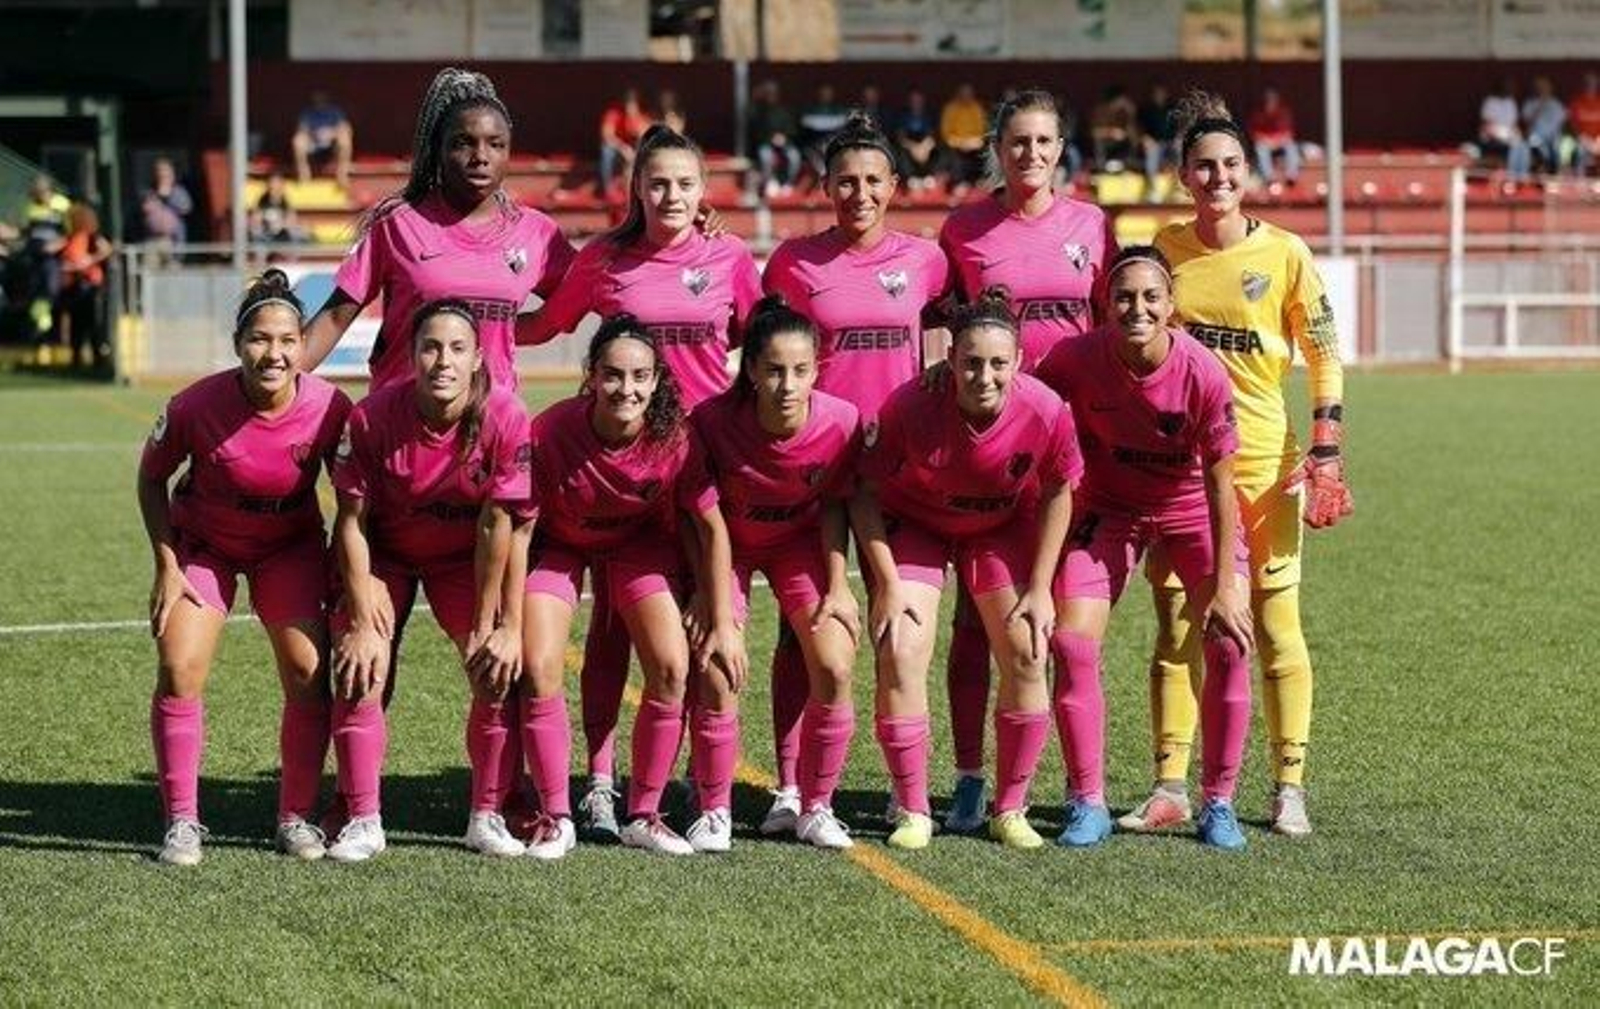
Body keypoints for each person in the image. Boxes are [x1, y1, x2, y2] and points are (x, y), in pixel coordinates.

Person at [519, 123, 761, 842]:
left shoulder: (729, 257)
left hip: (698, 465)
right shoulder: (604, 260)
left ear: (704, 190)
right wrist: (471, 322)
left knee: (694, 629)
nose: (671, 196)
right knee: (609, 630)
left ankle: (677, 782)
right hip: (617, 463)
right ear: (636, 189)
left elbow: (756, 337)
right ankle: (599, 782)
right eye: (658, 183)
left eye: (685, 184)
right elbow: (546, 324)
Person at [1122, 91, 1352, 841]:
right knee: (1178, 626)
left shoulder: (1285, 253)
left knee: (1275, 625)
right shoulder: (1165, 249)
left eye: (1229, 165)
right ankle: (1170, 786)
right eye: (1203, 166)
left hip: (1264, 470)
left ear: (1247, 172)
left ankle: (1289, 786)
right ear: (1182, 175)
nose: (1217, 177)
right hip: (1182, 475)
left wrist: (1325, 448)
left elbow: (1323, 353)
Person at [760, 113, 951, 833]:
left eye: (873, 180)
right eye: (846, 180)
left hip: (899, 476)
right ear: (825, 186)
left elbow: (959, 329)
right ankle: (790, 786)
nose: (859, 193)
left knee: (898, 631)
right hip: (816, 476)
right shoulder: (792, 264)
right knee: (803, 634)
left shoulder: (928, 261)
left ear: (894, 185)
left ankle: (907, 792)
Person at [936, 89, 1115, 832]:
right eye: (1018, 142)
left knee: (1062, 627)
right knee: (973, 624)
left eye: (1044, 141)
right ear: (998, 149)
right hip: (988, 446)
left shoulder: (1093, 226)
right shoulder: (964, 230)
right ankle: (970, 777)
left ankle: (1077, 789)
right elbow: (936, 320)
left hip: (1072, 449)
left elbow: (1115, 321)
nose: (1031, 154)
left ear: (1061, 149)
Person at [1035, 246, 1254, 849]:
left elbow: (1221, 483)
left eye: (1151, 297)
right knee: (1071, 642)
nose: (1138, 309)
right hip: (1109, 510)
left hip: (1191, 510)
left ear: (1171, 306)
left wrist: (1227, 588)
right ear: (1105, 304)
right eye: (1124, 297)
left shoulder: (1203, 372)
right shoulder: (1074, 359)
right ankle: (1087, 802)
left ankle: (1219, 803)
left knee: (1229, 641)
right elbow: (1024, 406)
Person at [136, 269, 352, 866]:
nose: (273, 353)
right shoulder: (195, 405)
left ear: (302, 346)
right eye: (259, 339)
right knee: (179, 665)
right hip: (204, 545)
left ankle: (295, 817)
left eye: (287, 340)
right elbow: (151, 479)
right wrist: (166, 565)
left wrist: (351, 578)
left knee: (308, 672)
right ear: (237, 344)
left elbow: (354, 501)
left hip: (289, 547)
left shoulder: (331, 408)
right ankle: (182, 821)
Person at [853, 289, 1080, 850]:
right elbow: (864, 493)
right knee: (900, 645)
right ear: (949, 359)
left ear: (1019, 361)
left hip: (998, 527)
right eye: (971, 362)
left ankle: (1010, 808)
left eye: (998, 363)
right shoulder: (910, 406)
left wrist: (1041, 588)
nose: (984, 376)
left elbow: (1059, 490)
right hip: (917, 524)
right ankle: (912, 809)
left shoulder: (1047, 410)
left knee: (1029, 648)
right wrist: (886, 584)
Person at [514, 315, 745, 857]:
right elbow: (519, 528)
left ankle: (644, 813)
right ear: (592, 376)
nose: (627, 389)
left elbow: (711, 528)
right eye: (613, 375)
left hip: (637, 547)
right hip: (561, 546)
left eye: (640, 376)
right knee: (539, 665)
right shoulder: (550, 431)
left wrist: (718, 615)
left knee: (672, 665)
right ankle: (557, 816)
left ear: (657, 379)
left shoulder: (673, 438)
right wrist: (502, 617)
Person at [328, 299, 533, 863]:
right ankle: (362, 818)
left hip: (463, 561)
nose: (444, 361)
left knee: (494, 672)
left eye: (457, 349)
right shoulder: (371, 418)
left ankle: (486, 815)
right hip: (385, 557)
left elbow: (500, 526)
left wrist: (494, 623)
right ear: (412, 354)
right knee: (361, 669)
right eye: (431, 347)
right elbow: (351, 522)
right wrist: (362, 612)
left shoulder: (506, 416)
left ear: (478, 359)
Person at [692, 298, 863, 849]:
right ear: (750, 370)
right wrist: (713, 605)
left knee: (834, 664)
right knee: (717, 665)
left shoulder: (842, 421)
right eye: (773, 370)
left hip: (799, 547)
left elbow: (835, 505)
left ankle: (814, 806)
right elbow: (704, 523)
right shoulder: (711, 423)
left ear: (817, 369)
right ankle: (714, 810)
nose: (788, 385)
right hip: (728, 550)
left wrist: (837, 585)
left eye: (800, 370)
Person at [303, 67, 575, 393]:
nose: (481, 157)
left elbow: (583, 298)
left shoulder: (537, 232)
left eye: (496, 144)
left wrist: (510, 329)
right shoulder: (398, 224)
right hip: (400, 417)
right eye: (463, 143)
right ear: (438, 149)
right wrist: (275, 386)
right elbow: (335, 317)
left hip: (492, 419)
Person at [56, 202, 114, 372]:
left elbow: (107, 249)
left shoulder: (92, 237)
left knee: (93, 324)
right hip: (73, 285)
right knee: (76, 325)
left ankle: (98, 361)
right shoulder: (70, 237)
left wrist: (88, 260)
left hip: (89, 285)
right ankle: (76, 360)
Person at [21, 175, 70, 341]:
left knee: (51, 288)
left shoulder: (62, 205)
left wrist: (58, 244)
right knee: (35, 289)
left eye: (41, 192)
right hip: (35, 254)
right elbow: (27, 230)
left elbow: (71, 231)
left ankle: (45, 323)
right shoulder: (30, 207)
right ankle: (40, 323)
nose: (38, 196)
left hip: (54, 257)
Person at [746, 79, 803, 197]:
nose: (771, 96)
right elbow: (754, 129)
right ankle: (771, 181)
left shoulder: (783, 110)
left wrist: (784, 137)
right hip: (765, 143)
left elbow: (792, 129)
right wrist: (770, 138)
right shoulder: (758, 111)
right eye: (768, 93)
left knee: (794, 156)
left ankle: (788, 183)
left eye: (773, 93)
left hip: (784, 143)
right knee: (765, 156)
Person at [292, 91, 355, 190]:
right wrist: (315, 134)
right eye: (317, 98)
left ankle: (342, 175)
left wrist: (332, 133)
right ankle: (304, 175)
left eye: (322, 98)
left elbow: (347, 128)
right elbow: (302, 129)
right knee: (298, 140)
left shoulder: (334, 111)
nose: (319, 100)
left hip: (332, 148)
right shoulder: (308, 112)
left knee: (345, 139)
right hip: (313, 146)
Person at [599, 88, 651, 197]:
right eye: (627, 103)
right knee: (607, 151)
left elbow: (645, 136)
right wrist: (623, 149)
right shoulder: (613, 113)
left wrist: (634, 117)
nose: (629, 107)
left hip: (633, 150)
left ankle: (642, 188)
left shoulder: (641, 115)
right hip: (617, 149)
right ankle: (607, 189)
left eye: (632, 104)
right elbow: (607, 137)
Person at [1477, 79, 1531, 185]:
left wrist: (1518, 134)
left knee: (1524, 145)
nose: (1510, 90)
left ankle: (1521, 177)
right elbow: (1487, 126)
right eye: (1508, 87)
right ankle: (1510, 178)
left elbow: (1514, 124)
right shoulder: (1490, 102)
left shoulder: (1511, 102)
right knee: (1514, 145)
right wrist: (1503, 135)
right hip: (1492, 138)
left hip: (1509, 136)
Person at [893, 88, 944, 191]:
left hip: (925, 143)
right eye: (913, 100)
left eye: (918, 100)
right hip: (909, 144)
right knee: (900, 152)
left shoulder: (928, 114)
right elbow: (901, 137)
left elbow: (932, 136)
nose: (916, 103)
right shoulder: (903, 115)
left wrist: (925, 147)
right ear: (909, 102)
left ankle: (929, 177)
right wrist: (913, 148)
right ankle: (911, 178)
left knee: (938, 150)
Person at [1248, 87, 1300, 188]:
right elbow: (1253, 133)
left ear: (1277, 101)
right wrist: (1266, 140)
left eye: (1272, 101)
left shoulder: (1283, 112)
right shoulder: (1258, 113)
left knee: (1292, 147)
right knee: (1260, 148)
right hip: (1265, 142)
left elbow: (1289, 132)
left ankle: (1291, 176)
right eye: (1267, 101)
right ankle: (1269, 178)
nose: (1270, 103)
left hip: (1280, 142)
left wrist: (1277, 141)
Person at [940, 83, 988, 191]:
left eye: (969, 94)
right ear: (958, 94)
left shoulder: (977, 108)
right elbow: (946, 133)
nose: (966, 96)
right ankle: (958, 183)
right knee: (954, 155)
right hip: (956, 143)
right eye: (963, 94)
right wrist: (961, 142)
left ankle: (978, 180)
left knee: (985, 150)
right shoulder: (950, 108)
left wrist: (974, 142)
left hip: (973, 144)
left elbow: (982, 131)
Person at [140, 158, 193, 248]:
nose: (163, 174)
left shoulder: (179, 192)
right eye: (160, 172)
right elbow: (145, 209)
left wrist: (168, 196)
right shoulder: (149, 193)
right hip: (153, 239)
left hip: (174, 238)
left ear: (172, 175)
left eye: (166, 172)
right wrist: (157, 197)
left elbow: (186, 208)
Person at [1520, 76, 1567, 175]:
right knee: (1538, 145)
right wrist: (1541, 105)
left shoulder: (1557, 104)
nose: (1542, 89)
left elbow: (1562, 124)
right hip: (1536, 137)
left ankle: (1555, 174)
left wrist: (1556, 136)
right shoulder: (1530, 103)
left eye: (1545, 86)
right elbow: (1527, 123)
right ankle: (1541, 171)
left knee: (1559, 146)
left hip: (1554, 138)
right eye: (1539, 87)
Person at [1089, 85, 1139, 172]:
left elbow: (1133, 134)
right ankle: (1101, 168)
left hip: (1120, 145)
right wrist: (1112, 133)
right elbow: (1094, 132)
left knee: (1131, 140)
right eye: (1120, 100)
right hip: (1105, 143)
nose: (1122, 103)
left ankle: (1129, 166)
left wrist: (1131, 114)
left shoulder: (1124, 112)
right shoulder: (1100, 110)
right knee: (1099, 143)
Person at [1138, 84, 1178, 188]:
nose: (1159, 95)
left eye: (1161, 93)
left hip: (1171, 142)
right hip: (1154, 142)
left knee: (1180, 150)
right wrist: (1145, 138)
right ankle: (1152, 185)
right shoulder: (1146, 110)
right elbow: (1138, 128)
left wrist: (1178, 139)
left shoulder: (1172, 109)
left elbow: (1180, 127)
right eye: (1156, 93)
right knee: (1152, 152)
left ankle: (1177, 184)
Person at [249, 171, 303, 244]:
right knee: (256, 234)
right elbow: (255, 222)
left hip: (282, 236)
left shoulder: (286, 203)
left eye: (278, 186)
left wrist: (282, 225)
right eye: (273, 186)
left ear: (282, 187)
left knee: (298, 233)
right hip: (266, 237)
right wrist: (266, 225)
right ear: (268, 187)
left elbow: (292, 221)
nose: (275, 189)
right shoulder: (262, 203)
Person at [1568, 72, 1600, 175]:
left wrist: (1598, 140)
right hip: (1582, 140)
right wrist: (1583, 139)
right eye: (1588, 83)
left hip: (1598, 139)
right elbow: (1572, 126)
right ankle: (1580, 180)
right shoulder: (1576, 102)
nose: (1591, 86)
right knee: (1579, 151)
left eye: (1593, 83)